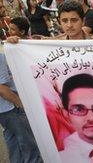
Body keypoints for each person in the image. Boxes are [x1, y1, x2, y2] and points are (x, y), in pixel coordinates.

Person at [0, 17, 43, 163]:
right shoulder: (2, 54)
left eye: (12, 29)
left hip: (4, 110)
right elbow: (2, 89)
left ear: (22, 32)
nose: (9, 33)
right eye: (8, 29)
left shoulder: (17, 47)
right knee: (29, 143)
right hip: (10, 107)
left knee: (13, 140)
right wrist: (21, 104)